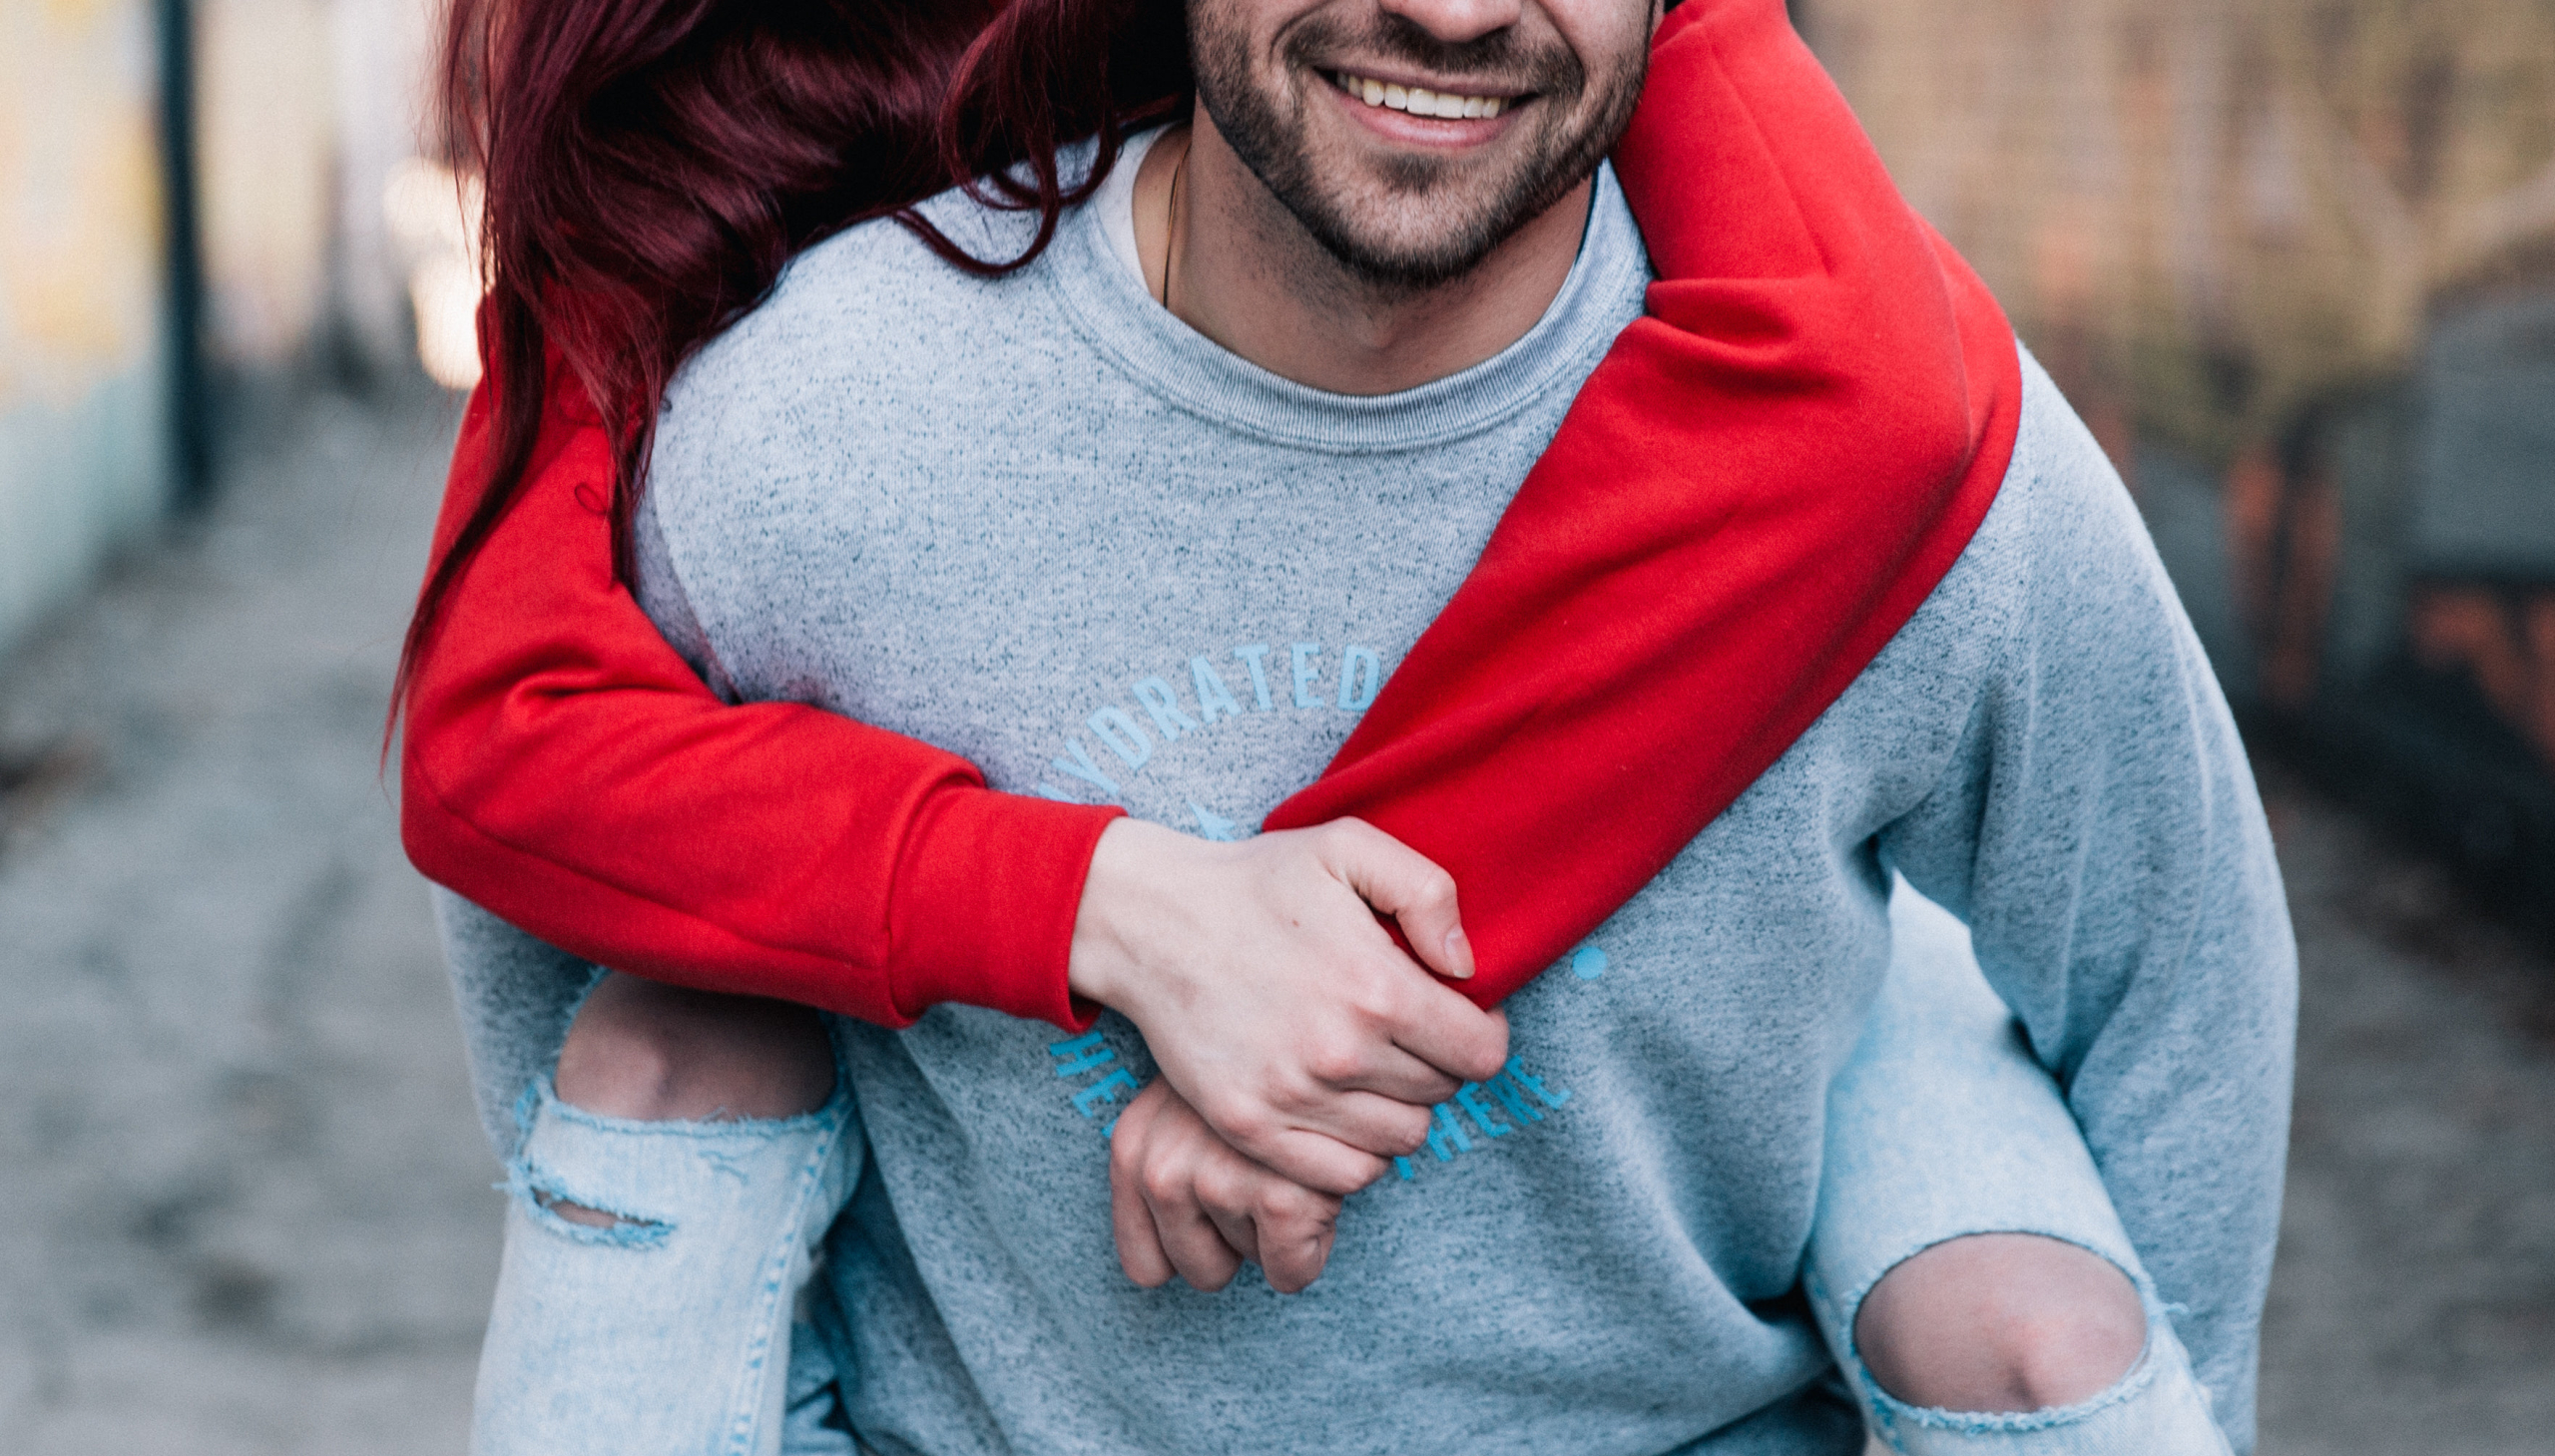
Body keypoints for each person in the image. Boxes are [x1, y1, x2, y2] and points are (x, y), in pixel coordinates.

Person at [409, 0, 2296, 1450]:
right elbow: (552, 879)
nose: (1459, 12)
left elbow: (2179, 965)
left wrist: (1319, 977)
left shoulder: (1917, 436)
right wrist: (1109, 912)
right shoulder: (804, 411)